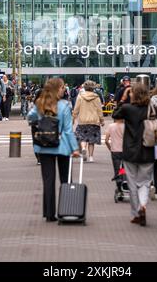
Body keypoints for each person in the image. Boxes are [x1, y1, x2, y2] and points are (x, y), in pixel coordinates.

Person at [27, 78, 80, 222]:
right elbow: (68, 130)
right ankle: (66, 210)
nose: (64, 90)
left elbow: (30, 117)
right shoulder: (64, 106)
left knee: (48, 180)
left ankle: (49, 214)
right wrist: (75, 148)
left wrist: (40, 120)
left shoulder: (40, 104)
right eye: (62, 87)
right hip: (62, 146)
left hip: (44, 146)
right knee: (66, 179)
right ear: (57, 89)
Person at [112, 83, 155, 226]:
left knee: (132, 184)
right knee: (145, 182)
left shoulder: (127, 109)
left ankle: (136, 212)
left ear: (134, 94)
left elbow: (115, 115)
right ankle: (143, 204)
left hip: (130, 150)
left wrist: (123, 98)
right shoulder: (151, 108)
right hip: (147, 149)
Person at [73, 80, 104, 163]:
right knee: (91, 140)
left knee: (82, 137)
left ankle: (83, 148)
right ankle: (91, 157)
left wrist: (73, 118)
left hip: (82, 120)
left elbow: (76, 109)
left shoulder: (80, 96)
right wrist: (102, 120)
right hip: (94, 121)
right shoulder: (96, 97)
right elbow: (99, 110)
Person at [105, 118, 125, 197]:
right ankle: (124, 186)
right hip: (125, 152)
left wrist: (110, 148)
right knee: (124, 170)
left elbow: (106, 140)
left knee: (117, 171)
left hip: (115, 151)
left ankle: (119, 189)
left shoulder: (111, 126)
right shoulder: (126, 126)